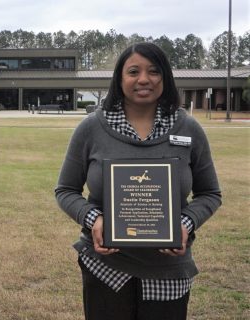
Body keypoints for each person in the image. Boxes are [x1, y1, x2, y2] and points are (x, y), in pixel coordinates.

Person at [55, 43, 221, 320]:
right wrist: (95, 220)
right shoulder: (92, 128)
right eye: (133, 71)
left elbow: (210, 193)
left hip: (169, 271)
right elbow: (66, 190)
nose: (144, 79)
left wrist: (184, 224)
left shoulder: (188, 128)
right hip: (105, 267)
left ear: (165, 78)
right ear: (120, 79)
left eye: (154, 71)